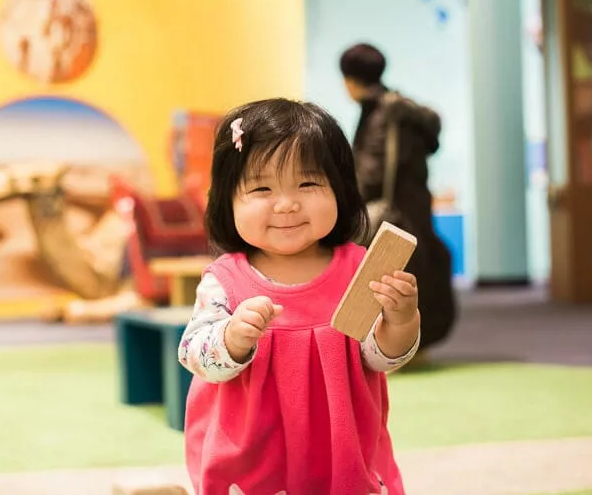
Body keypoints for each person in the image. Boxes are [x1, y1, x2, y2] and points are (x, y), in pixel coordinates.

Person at [178, 98, 421, 494]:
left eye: (308, 184)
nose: (288, 204)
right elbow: (195, 354)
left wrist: (401, 319)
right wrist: (232, 337)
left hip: (342, 453)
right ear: (229, 200)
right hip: (253, 458)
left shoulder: (359, 268)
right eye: (261, 188)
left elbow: (378, 357)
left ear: (339, 191)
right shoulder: (225, 280)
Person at [340, 42, 457, 353]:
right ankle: (417, 345)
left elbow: (370, 176)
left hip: (390, 217)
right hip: (416, 209)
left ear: (350, 80)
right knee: (415, 278)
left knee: (389, 281)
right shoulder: (407, 110)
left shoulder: (380, 116)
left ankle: (398, 348)